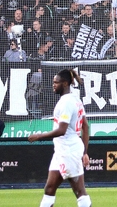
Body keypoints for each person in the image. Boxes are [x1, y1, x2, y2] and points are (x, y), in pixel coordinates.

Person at [27, 69, 91, 207]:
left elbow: (62, 130)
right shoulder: (75, 99)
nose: (53, 85)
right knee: (49, 189)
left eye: (56, 82)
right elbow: (85, 126)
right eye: (53, 82)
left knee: (79, 191)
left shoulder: (66, 103)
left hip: (68, 150)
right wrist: (84, 152)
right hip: (63, 150)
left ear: (66, 83)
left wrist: (39, 136)